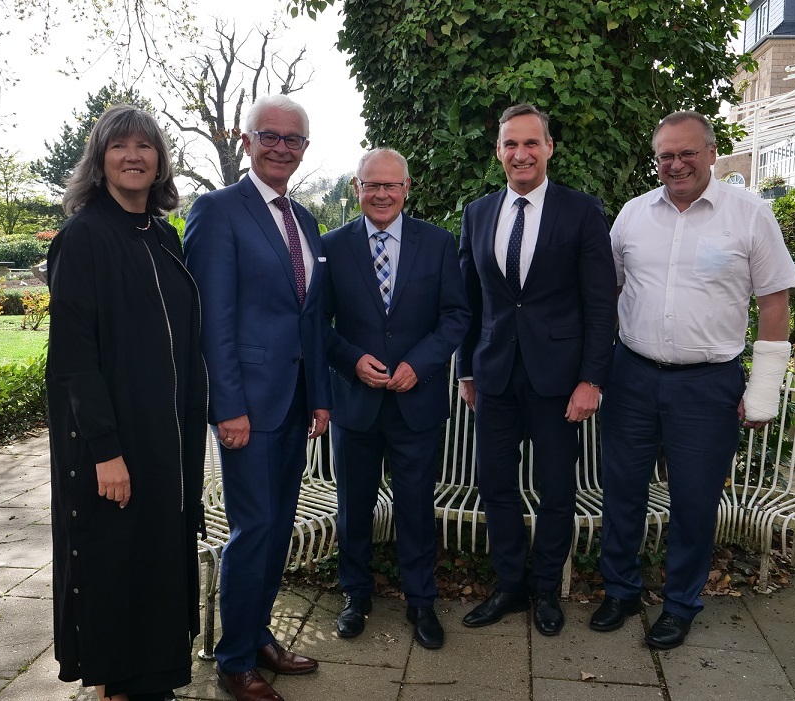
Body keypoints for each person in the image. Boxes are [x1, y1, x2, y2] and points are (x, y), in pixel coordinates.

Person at [592, 110, 795, 650]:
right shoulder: (633, 215)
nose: (676, 164)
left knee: (693, 499)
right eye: (665, 155)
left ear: (711, 153)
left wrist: (763, 389)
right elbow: (608, 295)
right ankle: (620, 590)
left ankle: (681, 603)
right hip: (632, 375)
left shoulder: (751, 215)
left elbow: (774, 303)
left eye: (687, 153)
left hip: (707, 385)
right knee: (622, 492)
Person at [47, 103, 207, 701]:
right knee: (117, 564)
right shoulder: (82, 238)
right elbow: (72, 359)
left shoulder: (163, 237)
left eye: (145, 146)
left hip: (168, 438)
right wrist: (105, 452)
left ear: (160, 160)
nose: (133, 156)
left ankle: (155, 683)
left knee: (161, 559)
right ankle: (116, 687)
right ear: (100, 160)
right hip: (114, 440)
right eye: (120, 147)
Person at [184, 94, 331, 701]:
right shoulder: (218, 211)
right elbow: (211, 320)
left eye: (292, 139)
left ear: (304, 150)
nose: (280, 146)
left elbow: (312, 319)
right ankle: (234, 658)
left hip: (294, 403)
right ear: (246, 141)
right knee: (255, 526)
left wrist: (319, 396)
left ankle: (259, 633)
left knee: (277, 528)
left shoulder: (305, 220)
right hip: (249, 406)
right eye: (268, 135)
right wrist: (228, 406)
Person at [456, 103, 617, 636]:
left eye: (531, 143)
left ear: (549, 147)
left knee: (555, 488)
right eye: (510, 144)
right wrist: (466, 370)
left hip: (559, 380)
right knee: (494, 483)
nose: (520, 153)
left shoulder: (581, 210)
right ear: (498, 151)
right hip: (495, 375)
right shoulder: (477, 213)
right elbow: (471, 302)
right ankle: (510, 586)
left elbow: (600, 303)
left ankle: (546, 587)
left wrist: (592, 379)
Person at [323, 148, 470, 650]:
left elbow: (455, 316)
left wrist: (419, 364)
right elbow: (317, 325)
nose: (381, 194)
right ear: (357, 189)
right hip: (355, 404)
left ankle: (421, 601)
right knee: (354, 506)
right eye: (371, 185)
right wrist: (350, 360)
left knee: (415, 507)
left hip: (416, 403)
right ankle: (356, 596)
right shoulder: (332, 246)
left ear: (408, 188)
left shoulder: (438, 244)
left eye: (391, 185)